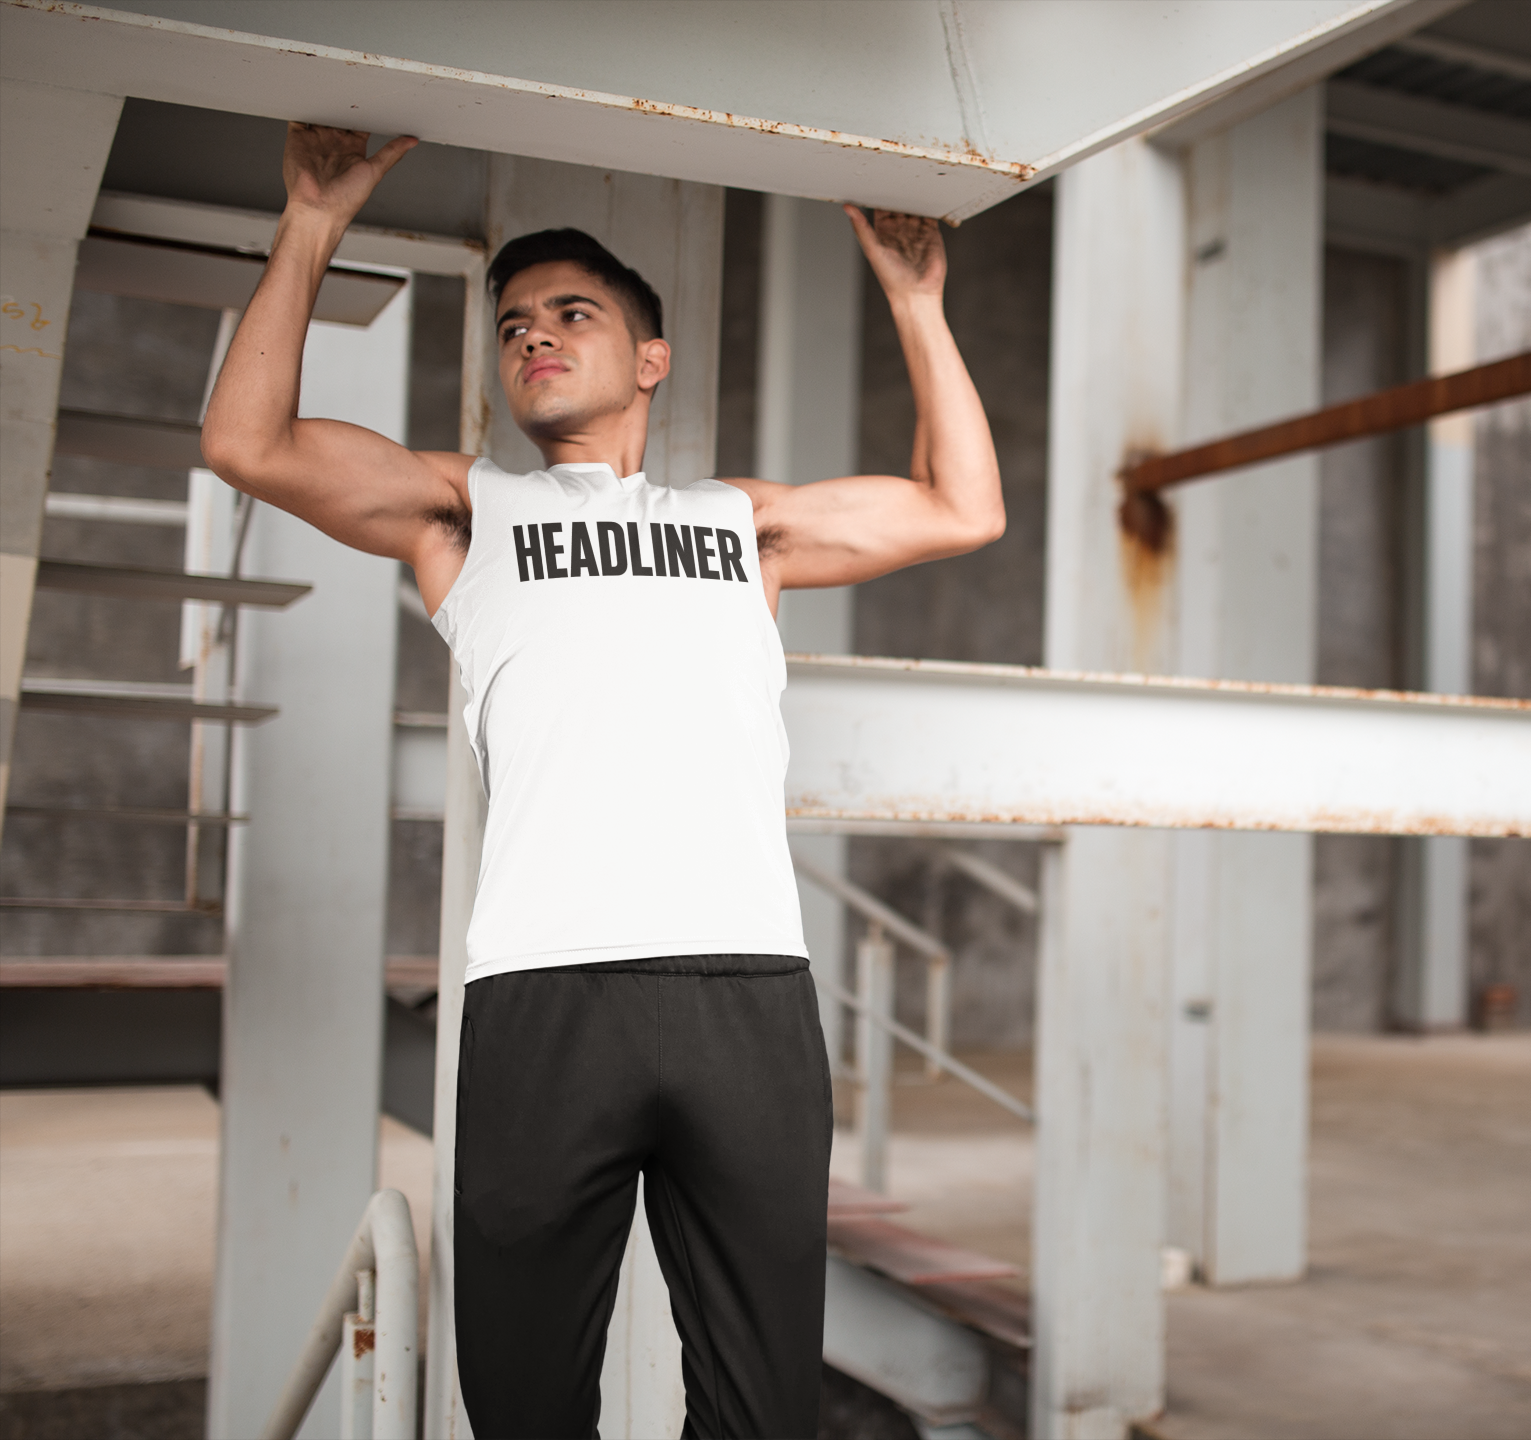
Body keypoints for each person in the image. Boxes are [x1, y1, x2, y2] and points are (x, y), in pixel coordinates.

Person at [200, 122, 1003, 1440]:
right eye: (513, 324)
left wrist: (917, 302)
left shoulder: (738, 524)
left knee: (761, 1412)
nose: (533, 335)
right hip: (543, 999)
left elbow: (961, 506)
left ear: (650, 359)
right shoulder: (467, 514)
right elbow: (248, 442)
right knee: (523, 1405)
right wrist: (310, 221)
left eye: (572, 313)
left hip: (745, 993)